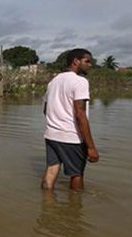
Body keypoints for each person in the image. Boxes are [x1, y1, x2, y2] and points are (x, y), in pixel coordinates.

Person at [41, 49, 99, 191]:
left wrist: (56, 123)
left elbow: (45, 110)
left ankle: (46, 204)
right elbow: (80, 114)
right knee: (77, 174)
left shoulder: (53, 82)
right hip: (71, 138)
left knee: (51, 170)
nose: (90, 65)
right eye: (87, 61)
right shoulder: (80, 82)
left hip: (51, 136)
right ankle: (75, 208)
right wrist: (91, 147)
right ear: (76, 61)